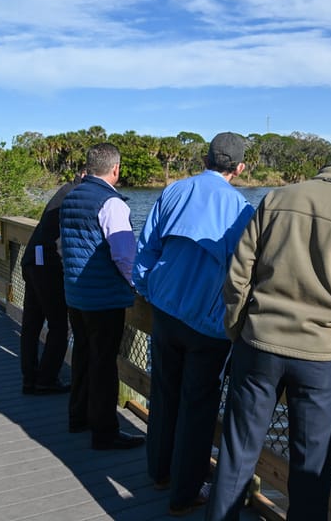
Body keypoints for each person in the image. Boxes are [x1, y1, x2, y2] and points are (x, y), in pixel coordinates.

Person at [206, 134, 331, 521]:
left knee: (236, 456)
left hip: (257, 346)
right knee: (311, 473)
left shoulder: (276, 199)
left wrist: (239, 328)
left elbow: (237, 277)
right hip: (321, 360)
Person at [134, 132, 255, 516]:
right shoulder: (241, 210)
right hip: (209, 324)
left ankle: (159, 472)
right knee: (198, 408)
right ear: (240, 168)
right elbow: (245, 275)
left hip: (165, 312)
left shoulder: (174, 192)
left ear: (204, 159)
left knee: (164, 393)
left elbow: (146, 248)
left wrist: (148, 289)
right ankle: (185, 493)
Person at [59, 143, 144, 450]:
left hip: (76, 293)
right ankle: (105, 432)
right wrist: (137, 285)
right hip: (104, 298)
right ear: (116, 169)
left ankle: (78, 417)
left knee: (82, 355)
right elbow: (124, 256)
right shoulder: (112, 203)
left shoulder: (72, 197)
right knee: (105, 364)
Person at [19, 173, 83, 395]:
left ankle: (30, 378)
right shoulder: (76, 194)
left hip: (33, 260)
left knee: (32, 324)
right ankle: (46, 379)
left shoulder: (65, 190)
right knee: (59, 326)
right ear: (85, 175)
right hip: (46, 265)